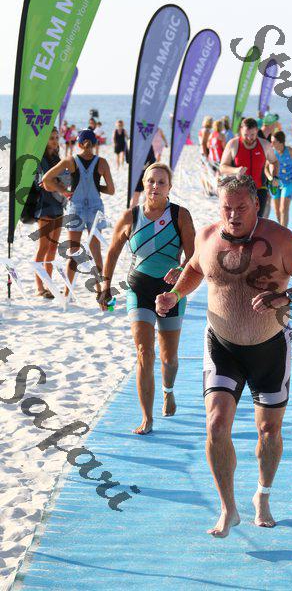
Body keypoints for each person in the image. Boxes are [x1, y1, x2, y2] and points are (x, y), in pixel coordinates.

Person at [155, 174, 292, 537]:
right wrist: (174, 295)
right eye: (226, 208)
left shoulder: (281, 239)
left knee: (268, 431)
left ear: (256, 204)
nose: (232, 215)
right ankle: (228, 507)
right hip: (222, 346)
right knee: (216, 425)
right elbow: (195, 269)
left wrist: (286, 297)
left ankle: (263, 494)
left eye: (241, 208)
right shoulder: (207, 237)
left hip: (270, 348)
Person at [98, 163, 196, 434]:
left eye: (161, 182)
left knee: (169, 358)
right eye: (151, 181)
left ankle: (168, 390)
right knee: (144, 352)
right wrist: (105, 285)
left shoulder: (180, 215)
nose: (155, 186)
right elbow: (113, 252)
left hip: (172, 292)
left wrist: (180, 269)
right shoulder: (131, 216)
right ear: (143, 183)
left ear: (169, 187)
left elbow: (194, 256)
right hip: (138, 288)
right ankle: (147, 418)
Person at [43, 128, 115, 298]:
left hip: (76, 207)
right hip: (95, 209)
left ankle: (68, 292)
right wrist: (97, 187)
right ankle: (100, 290)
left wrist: (63, 190)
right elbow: (111, 190)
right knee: (96, 252)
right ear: (95, 143)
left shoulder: (70, 160)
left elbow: (46, 179)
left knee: (74, 252)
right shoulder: (102, 162)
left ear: (79, 144)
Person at [34, 127, 69, 298]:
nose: (55, 141)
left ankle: (49, 284)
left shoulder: (57, 158)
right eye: (51, 138)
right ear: (45, 141)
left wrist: (58, 185)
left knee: (53, 248)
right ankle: (39, 287)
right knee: (43, 247)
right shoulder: (40, 159)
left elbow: (61, 181)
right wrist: (59, 185)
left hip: (58, 206)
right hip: (45, 206)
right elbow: (44, 183)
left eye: (56, 137)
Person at [219, 117, 279, 218]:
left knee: (257, 220)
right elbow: (222, 167)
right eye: (245, 135)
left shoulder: (265, 145)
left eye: (252, 135)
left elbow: (274, 162)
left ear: (257, 131)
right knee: (240, 220)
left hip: (259, 190)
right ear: (240, 131)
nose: (249, 138)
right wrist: (236, 170)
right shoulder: (233, 144)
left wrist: (274, 176)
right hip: (238, 190)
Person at [267, 131, 292, 226]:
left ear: (281, 142)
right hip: (275, 184)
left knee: (283, 209)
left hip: (289, 182)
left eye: (274, 142)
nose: (271, 144)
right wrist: (270, 178)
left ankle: (284, 231)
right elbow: (265, 168)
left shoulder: (291, 152)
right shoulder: (271, 152)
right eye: (271, 141)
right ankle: (282, 230)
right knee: (277, 211)